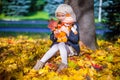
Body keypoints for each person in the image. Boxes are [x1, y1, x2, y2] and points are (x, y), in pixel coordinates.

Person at [33, 4, 80, 72]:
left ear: (68, 15)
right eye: (58, 16)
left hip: (71, 48)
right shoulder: (58, 24)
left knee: (60, 44)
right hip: (59, 48)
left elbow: (75, 40)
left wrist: (67, 32)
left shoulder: (73, 26)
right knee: (56, 45)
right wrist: (55, 35)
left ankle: (64, 64)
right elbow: (52, 38)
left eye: (62, 15)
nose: (60, 18)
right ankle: (40, 63)